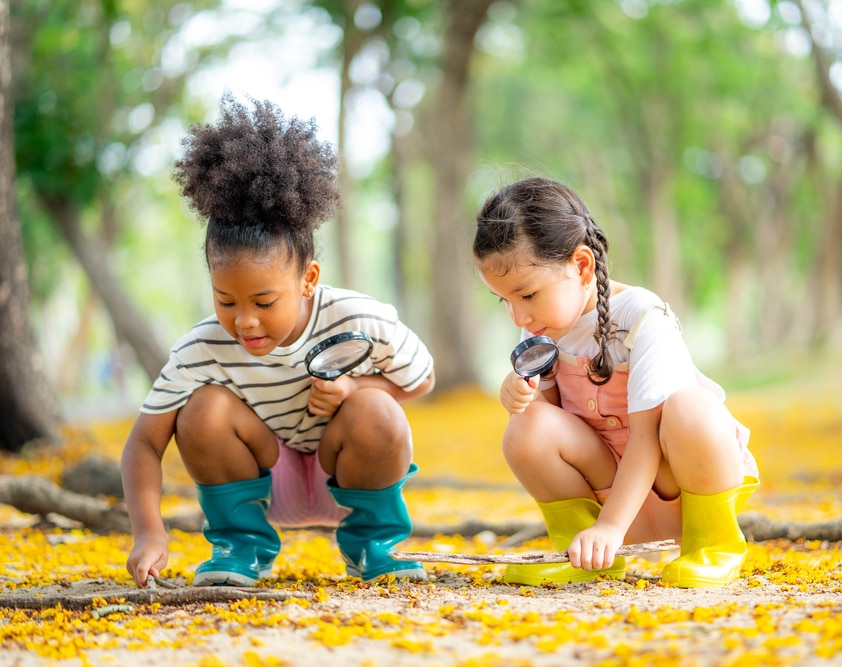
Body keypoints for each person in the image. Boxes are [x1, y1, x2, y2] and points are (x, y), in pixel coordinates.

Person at [121, 94, 434, 589]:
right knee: (201, 409)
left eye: (264, 302)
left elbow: (421, 380)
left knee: (378, 408)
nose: (244, 321)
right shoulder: (200, 349)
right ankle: (240, 546)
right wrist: (147, 532)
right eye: (226, 301)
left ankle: (374, 544)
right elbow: (143, 441)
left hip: (350, 477)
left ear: (308, 279)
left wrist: (355, 390)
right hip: (262, 483)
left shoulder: (359, 317)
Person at [472, 176, 759, 588]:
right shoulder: (542, 329)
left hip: (680, 488)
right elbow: (545, 427)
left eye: (528, 295)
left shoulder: (642, 318)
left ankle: (714, 544)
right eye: (506, 301)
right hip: (610, 491)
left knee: (690, 407)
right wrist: (522, 398)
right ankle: (582, 551)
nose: (519, 317)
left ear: (581, 265)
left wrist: (611, 526)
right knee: (525, 427)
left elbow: (645, 439)